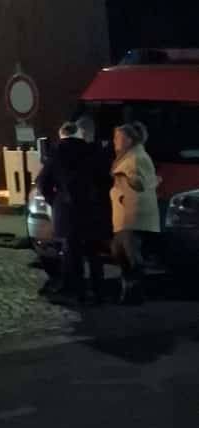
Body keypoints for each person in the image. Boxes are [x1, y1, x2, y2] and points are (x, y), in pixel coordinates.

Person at [36, 118, 109, 303]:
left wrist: (55, 201)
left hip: (68, 209)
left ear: (62, 134)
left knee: (72, 251)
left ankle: (78, 292)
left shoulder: (57, 151)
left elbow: (43, 182)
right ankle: (99, 290)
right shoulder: (92, 150)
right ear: (77, 133)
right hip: (92, 208)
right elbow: (105, 180)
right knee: (94, 251)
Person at [110, 120, 159, 304]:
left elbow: (141, 182)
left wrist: (124, 180)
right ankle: (131, 290)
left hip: (133, 215)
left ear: (129, 139)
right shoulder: (127, 156)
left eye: (118, 137)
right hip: (124, 214)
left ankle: (135, 292)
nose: (114, 141)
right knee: (120, 252)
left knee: (129, 254)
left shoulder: (137, 157)